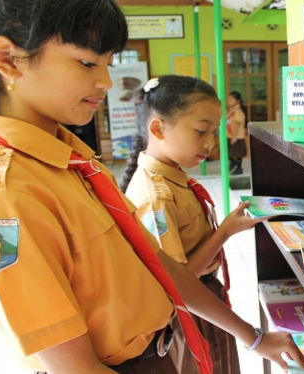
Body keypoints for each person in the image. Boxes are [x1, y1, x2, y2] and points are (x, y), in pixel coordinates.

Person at [0, 1, 304, 373]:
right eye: (87, 63)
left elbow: (157, 264)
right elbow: (73, 367)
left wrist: (253, 336)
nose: (105, 81)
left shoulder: (75, 162)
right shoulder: (4, 192)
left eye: (108, 63)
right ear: (8, 59)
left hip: (157, 351)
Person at [119, 75, 249, 374]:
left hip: (206, 303)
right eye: (201, 130)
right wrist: (225, 231)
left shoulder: (174, 176)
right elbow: (179, 281)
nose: (210, 142)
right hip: (190, 313)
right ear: (157, 128)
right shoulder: (155, 198)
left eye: (215, 132)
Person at [225, 91, 247, 175]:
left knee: (237, 154)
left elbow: (237, 125)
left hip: (237, 136)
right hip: (230, 135)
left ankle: (237, 168)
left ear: (237, 101)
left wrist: (234, 137)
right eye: (228, 100)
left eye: (231, 100)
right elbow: (225, 119)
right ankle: (235, 168)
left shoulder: (238, 112)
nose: (229, 102)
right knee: (230, 153)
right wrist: (231, 112)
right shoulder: (231, 111)